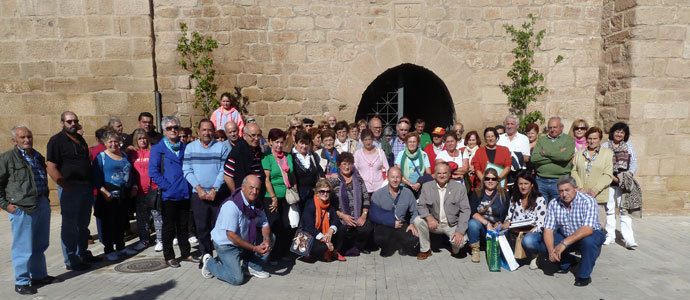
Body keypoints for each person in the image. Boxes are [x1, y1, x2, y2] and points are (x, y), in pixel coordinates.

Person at [1, 126, 63, 295]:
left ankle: (39, 275)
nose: (27, 139)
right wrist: (5, 205)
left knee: (40, 244)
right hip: (22, 207)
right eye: (23, 137)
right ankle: (21, 281)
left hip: (41, 202)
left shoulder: (36, 156)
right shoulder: (7, 158)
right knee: (23, 246)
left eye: (29, 136)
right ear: (14, 140)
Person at [521, 176, 605, 287]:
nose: (564, 194)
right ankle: (568, 262)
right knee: (543, 245)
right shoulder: (554, 203)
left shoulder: (588, 201)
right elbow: (548, 229)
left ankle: (584, 275)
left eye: (567, 190)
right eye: (561, 191)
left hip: (589, 234)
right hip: (566, 234)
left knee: (588, 242)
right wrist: (551, 251)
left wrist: (563, 244)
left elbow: (588, 229)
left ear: (575, 189)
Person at [46, 111, 98, 271]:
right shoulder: (56, 141)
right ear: (62, 123)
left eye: (75, 121)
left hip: (85, 187)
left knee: (83, 224)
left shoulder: (80, 139)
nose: (73, 124)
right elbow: (51, 166)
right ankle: (71, 260)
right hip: (70, 188)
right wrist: (65, 185)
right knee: (70, 225)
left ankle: (82, 253)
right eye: (69, 121)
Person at [201, 175, 271, 284]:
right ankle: (209, 262)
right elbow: (231, 236)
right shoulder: (231, 206)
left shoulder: (257, 203)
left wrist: (266, 239)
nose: (255, 191)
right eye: (251, 187)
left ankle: (251, 267)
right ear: (243, 187)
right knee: (237, 279)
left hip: (243, 240)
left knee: (272, 237)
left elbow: (265, 224)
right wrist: (254, 248)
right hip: (226, 244)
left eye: (257, 189)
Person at [149, 116, 199, 268]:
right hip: (168, 194)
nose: (173, 130)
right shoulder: (158, 148)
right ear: (164, 130)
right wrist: (167, 186)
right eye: (169, 128)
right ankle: (169, 256)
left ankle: (186, 252)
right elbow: (153, 171)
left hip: (184, 191)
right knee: (169, 227)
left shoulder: (185, 147)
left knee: (183, 225)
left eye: (175, 127)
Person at [183, 119, 230, 261]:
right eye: (204, 130)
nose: (207, 133)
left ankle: (222, 257)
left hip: (217, 194)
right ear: (198, 132)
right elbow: (187, 170)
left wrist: (214, 189)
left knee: (218, 227)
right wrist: (199, 189)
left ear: (213, 132)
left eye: (209, 130)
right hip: (199, 195)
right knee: (202, 228)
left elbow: (224, 170)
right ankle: (206, 256)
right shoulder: (190, 148)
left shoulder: (221, 147)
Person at [92, 130, 138, 261]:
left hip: (123, 195)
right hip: (108, 196)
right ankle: (108, 250)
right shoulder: (101, 157)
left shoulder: (123, 154)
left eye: (116, 141)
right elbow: (96, 177)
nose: (113, 144)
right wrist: (104, 192)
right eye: (110, 141)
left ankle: (121, 247)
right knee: (108, 225)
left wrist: (133, 186)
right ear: (105, 143)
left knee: (121, 223)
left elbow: (131, 173)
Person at [414, 162, 470, 259]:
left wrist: (460, 231)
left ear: (449, 174)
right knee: (418, 220)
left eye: (445, 173)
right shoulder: (427, 186)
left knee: (460, 243)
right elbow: (421, 205)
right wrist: (429, 217)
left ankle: (455, 250)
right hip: (435, 224)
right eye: (439, 173)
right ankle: (425, 250)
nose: (442, 175)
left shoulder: (459, 188)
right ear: (434, 174)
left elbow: (465, 210)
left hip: (452, 224)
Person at [571, 127, 613, 242]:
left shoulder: (607, 154)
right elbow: (574, 171)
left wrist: (594, 190)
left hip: (598, 197)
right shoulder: (580, 154)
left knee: (598, 226)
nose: (592, 141)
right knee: (581, 224)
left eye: (595, 138)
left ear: (600, 139)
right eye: (589, 138)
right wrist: (580, 187)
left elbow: (608, 175)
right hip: (582, 195)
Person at [602, 122, 640, 247]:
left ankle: (629, 239)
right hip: (609, 180)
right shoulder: (605, 145)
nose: (619, 134)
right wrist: (611, 176)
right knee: (610, 209)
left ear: (625, 135)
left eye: (622, 132)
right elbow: (602, 162)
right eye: (617, 131)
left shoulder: (629, 146)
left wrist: (629, 175)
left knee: (624, 210)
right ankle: (610, 236)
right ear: (613, 132)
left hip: (624, 181)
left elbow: (633, 162)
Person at [262, 128, 298, 262]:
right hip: (271, 197)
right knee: (275, 226)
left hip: (287, 197)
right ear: (270, 142)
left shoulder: (288, 156)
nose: (279, 145)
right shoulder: (267, 157)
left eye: (281, 142)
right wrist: (273, 198)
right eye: (276, 142)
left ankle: (281, 253)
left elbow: (292, 175)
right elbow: (267, 180)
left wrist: (295, 191)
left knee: (286, 225)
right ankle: (270, 255)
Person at [329, 152, 373, 256]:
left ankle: (359, 246)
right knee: (342, 231)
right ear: (339, 165)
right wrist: (343, 216)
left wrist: (363, 215)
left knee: (367, 228)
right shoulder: (334, 181)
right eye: (344, 164)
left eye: (349, 164)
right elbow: (330, 204)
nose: (347, 167)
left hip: (357, 216)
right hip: (341, 217)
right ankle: (344, 248)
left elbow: (366, 198)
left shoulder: (358, 178)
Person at [369, 167, 419, 256]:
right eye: (392, 177)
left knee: (413, 238)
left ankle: (401, 245)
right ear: (387, 178)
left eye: (398, 177)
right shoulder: (378, 194)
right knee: (380, 239)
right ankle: (389, 246)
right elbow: (374, 214)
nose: (395, 180)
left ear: (401, 178)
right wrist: (391, 222)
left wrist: (412, 223)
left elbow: (414, 211)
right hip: (385, 225)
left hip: (401, 223)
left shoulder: (407, 193)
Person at [128, 128, 164, 252]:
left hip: (153, 188)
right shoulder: (132, 154)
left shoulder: (153, 151)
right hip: (138, 190)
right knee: (142, 217)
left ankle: (160, 240)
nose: (142, 140)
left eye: (144, 138)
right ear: (135, 140)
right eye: (139, 138)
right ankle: (144, 240)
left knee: (157, 215)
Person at [502, 170, 547, 269]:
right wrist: (506, 222)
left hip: (532, 232)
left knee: (528, 240)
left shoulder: (540, 199)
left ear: (532, 185)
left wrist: (528, 231)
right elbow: (509, 217)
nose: (523, 187)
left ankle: (535, 255)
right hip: (516, 231)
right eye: (520, 184)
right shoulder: (514, 198)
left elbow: (541, 224)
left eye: (526, 184)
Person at [467, 168, 509, 263]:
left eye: (493, 179)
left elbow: (507, 213)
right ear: (483, 180)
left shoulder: (504, 194)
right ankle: (475, 250)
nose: (490, 181)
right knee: (473, 224)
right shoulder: (477, 192)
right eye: (487, 178)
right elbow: (473, 212)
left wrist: (500, 224)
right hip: (483, 227)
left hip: (497, 228)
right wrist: (487, 224)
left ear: (497, 181)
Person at [530, 117, 575, 202]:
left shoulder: (569, 140)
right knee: (540, 209)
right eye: (550, 127)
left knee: (559, 208)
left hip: (560, 181)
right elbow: (534, 158)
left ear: (562, 127)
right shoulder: (542, 140)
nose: (552, 129)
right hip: (541, 181)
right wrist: (558, 154)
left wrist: (545, 153)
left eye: (555, 127)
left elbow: (565, 157)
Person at [299, 178, 345, 262]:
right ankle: (312, 253)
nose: (325, 194)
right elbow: (308, 227)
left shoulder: (329, 204)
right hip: (311, 234)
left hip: (324, 233)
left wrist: (330, 231)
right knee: (322, 247)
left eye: (328, 192)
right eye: (322, 191)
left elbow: (335, 219)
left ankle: (334, 251)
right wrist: (325, 239)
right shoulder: (310, 204)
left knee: (341, 228)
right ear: (317, 192)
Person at [223, 123, 265, 193]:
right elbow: (227, 176)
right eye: (253, 135)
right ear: (244, 136)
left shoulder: (256, 149)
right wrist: (237, 194)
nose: (256, 138)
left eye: (259, 135)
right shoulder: (238, 151)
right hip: (244, 193)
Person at [291, 131, 324, 212]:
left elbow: (319, 170)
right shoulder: (291, 157)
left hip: (313, 194)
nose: (304, 146)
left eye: (306, 143)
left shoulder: (312, 155)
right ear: (296, 143)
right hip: (298, 197)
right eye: (301, 143)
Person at [497, 115, 531, 187]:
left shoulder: (523, 138)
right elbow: (496, 155)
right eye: (507, 124)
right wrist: (515, 156)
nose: (509, 126)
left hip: (518, 173)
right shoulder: (499, 138)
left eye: (512, 124)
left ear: (517, 126)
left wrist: (508, 157)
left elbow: (526, 158)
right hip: (503, 172)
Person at [354, 129, 389, 194]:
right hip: (363, 189)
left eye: (370, 139)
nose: (368, 142)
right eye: (365, 140)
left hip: (379, 188)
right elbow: (355, 171)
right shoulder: (357, 154)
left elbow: (387, 168)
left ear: (373, 139)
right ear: (362, 140)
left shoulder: (380, 152)